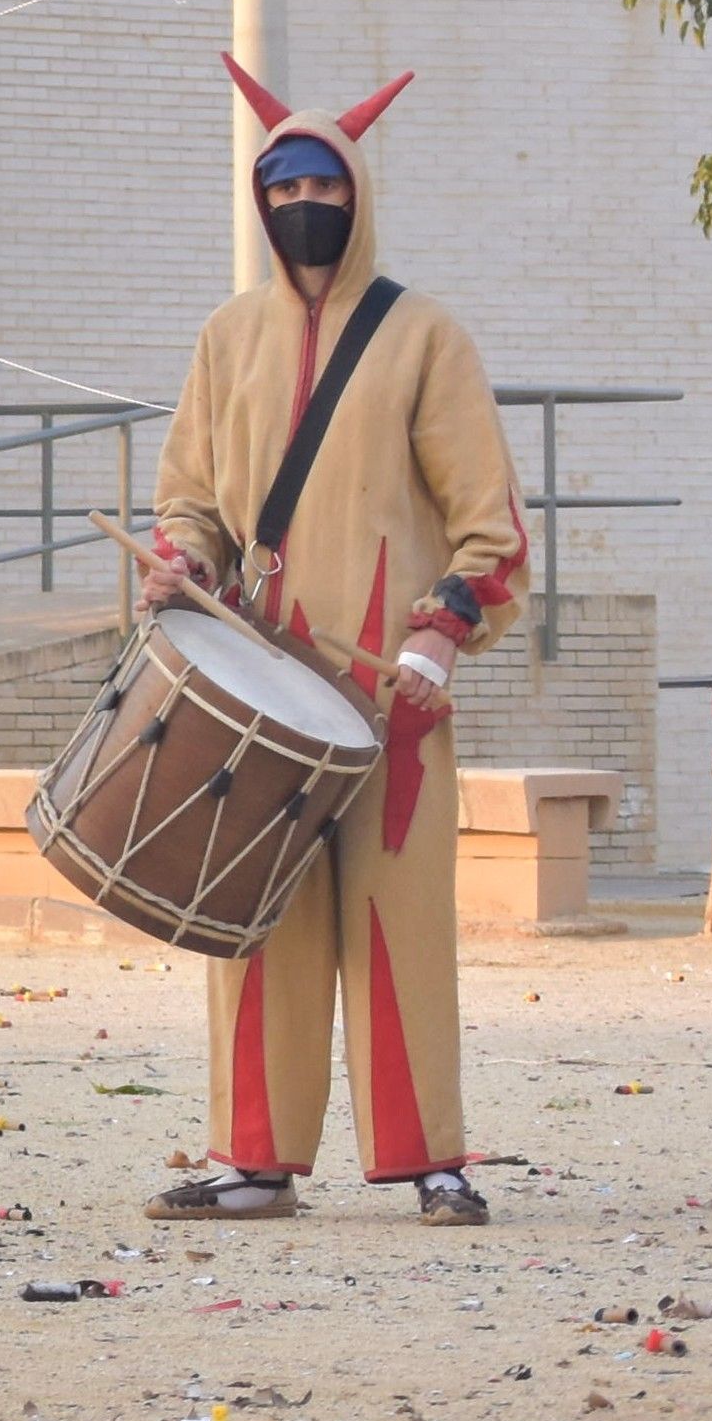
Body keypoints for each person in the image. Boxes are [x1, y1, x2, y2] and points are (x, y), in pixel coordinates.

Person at [138, 61, 528, 1227]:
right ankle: (251, 1157)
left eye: (320, 179)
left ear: (356, 189)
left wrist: (440, 636)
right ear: (258, 201)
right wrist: (181, 562)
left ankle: (431, 1159)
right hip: (255, 682)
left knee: (400, 922)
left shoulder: (424, 337)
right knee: (253, 916)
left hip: (388, 693)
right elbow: (188, 498)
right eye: (281, 182)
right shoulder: (224, 335)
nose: (301, 199)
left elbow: (490, 530)